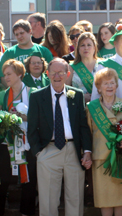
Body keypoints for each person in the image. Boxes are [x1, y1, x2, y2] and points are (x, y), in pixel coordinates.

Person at [27, 58, 92, 216]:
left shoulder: (76, 95)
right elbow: (32, 129)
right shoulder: (37, 96)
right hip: (48, 151)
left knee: (75, 198)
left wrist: (87, 151)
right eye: (53, 73)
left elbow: (83, 126)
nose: (57, 76)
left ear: (67, 74)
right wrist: (39, 153)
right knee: (48, 200)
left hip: (73, 151)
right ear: (47, 74)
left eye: (61, 73)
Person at [86, 68, 122, 216]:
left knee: (121, 198)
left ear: (116, 86)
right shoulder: (91, 108)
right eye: (105, 83)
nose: (109, 86)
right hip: (101, 158)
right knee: (105, 198)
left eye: (112, 83)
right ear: (98, 87)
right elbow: (88, 133)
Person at [0, 59, 35, 216]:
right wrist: (5, 118)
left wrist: (22, 117)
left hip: (27, 143)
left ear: (19, 74)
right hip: (7, 142)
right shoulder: (3, 95)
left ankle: (27, 212)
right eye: (4, 75)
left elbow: (38, 118)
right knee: (2, 179)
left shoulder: (33, 92)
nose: (6, 78)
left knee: (28, 180)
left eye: (9, 74)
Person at [0, 19, 53, 87]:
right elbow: (2, 76)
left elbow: (52, 72)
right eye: (16, 34)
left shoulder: (43, 51)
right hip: (18, 92)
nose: (19, 36)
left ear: (30, 31)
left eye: (21, 33)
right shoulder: (9, 53)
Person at [67, 32, 99, 103]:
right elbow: (66, 90)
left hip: (99, 109)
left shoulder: (102, 65)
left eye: (89, 45)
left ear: (94, 47)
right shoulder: (71, 67)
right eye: (82, 45)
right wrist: (81, 96)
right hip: (78, 107)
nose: (86, 48)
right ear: (78, 49)